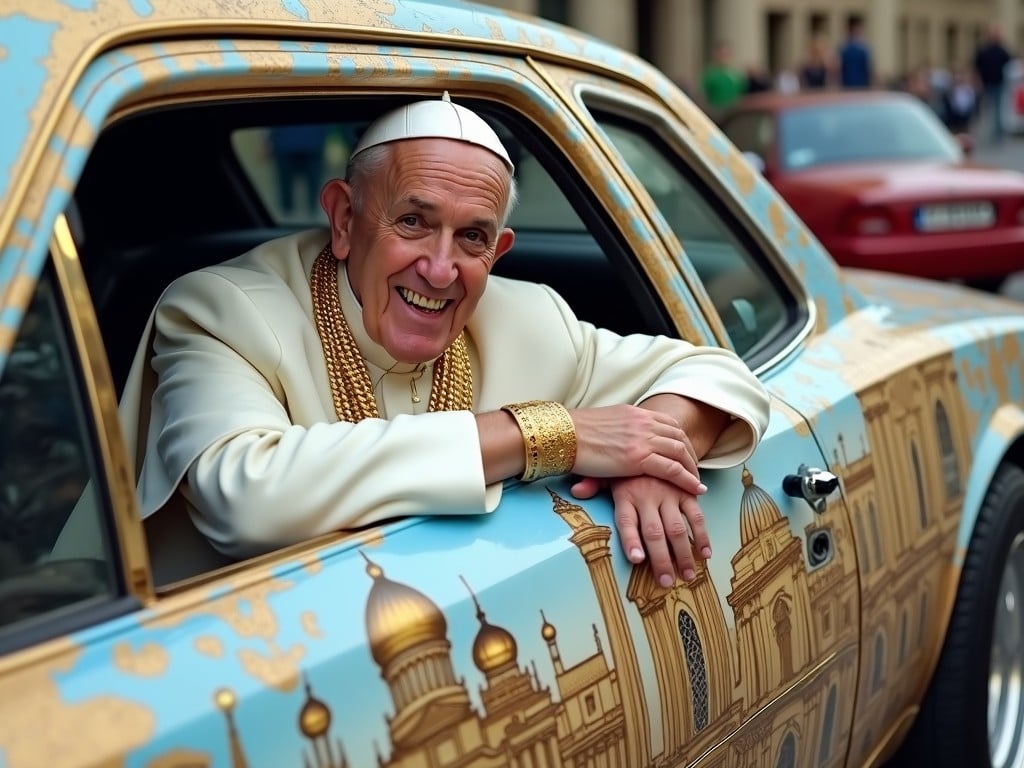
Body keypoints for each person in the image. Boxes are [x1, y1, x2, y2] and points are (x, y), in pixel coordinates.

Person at [117, 93, 771, 585]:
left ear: (500, 249)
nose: (439, 267)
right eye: (412, 222)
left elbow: (718, 373)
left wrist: (653, 455)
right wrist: (547, 433)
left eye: (472, 238)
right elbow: (247, 497)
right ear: (344, 219)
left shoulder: (530, 319)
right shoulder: (223, 310)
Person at [974, 23, 1013, 144]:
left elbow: (1010, 63)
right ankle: (978, 131)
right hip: (985, 83)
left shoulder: (1002, 50)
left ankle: (998, 134)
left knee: (997, 109)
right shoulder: (983, 49)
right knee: (981, 109)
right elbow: (976, 66)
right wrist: (977, 80)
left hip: (998, 83)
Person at [701, 41, 748, 120]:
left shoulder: (735, 73)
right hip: (715, 111)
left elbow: (742, 93)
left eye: (726, 54)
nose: (723, 56)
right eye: (721, 54)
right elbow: (703, 93)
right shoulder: (710, 73)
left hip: (733, 111)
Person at [838, 19, 872, 89]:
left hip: (861, 82)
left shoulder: (864, 48)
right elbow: (841, 66)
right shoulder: (845, 47)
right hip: (847, 82)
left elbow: (867, 67)